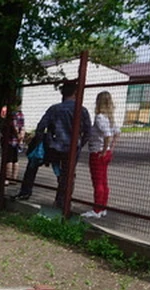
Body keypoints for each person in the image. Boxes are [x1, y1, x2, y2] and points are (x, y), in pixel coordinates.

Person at [32, 79, 91, 209]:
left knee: (54, 170)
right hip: (72, 148)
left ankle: (26, 191)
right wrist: (79, 144)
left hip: (55, 147)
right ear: (76, 92)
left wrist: (45, 141)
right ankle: (63, 201)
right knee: (69, 174)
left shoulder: (54, 109)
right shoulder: (82, 110)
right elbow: (88, 132)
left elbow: (41, 127)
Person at [81, 91, 120, 219]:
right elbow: (116, 133)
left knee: (97, 181)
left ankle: (96, 209)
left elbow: (108, 135)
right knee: (103, 181)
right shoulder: (110, 117)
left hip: (97, 152)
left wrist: (103, 150)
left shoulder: (99, 117)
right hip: (105, 152)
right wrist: (110, 149)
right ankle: (102, 207)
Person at [1, 102, 25, 182]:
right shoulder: (20, 114)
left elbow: (13, 126)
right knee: (15, 159)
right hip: (17, 141)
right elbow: (22, 127)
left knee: (8, 159)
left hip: (9, 140)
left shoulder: (11, 115)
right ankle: (14, 178)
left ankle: (7, 179)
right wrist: (20, 138)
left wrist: (16, 134)